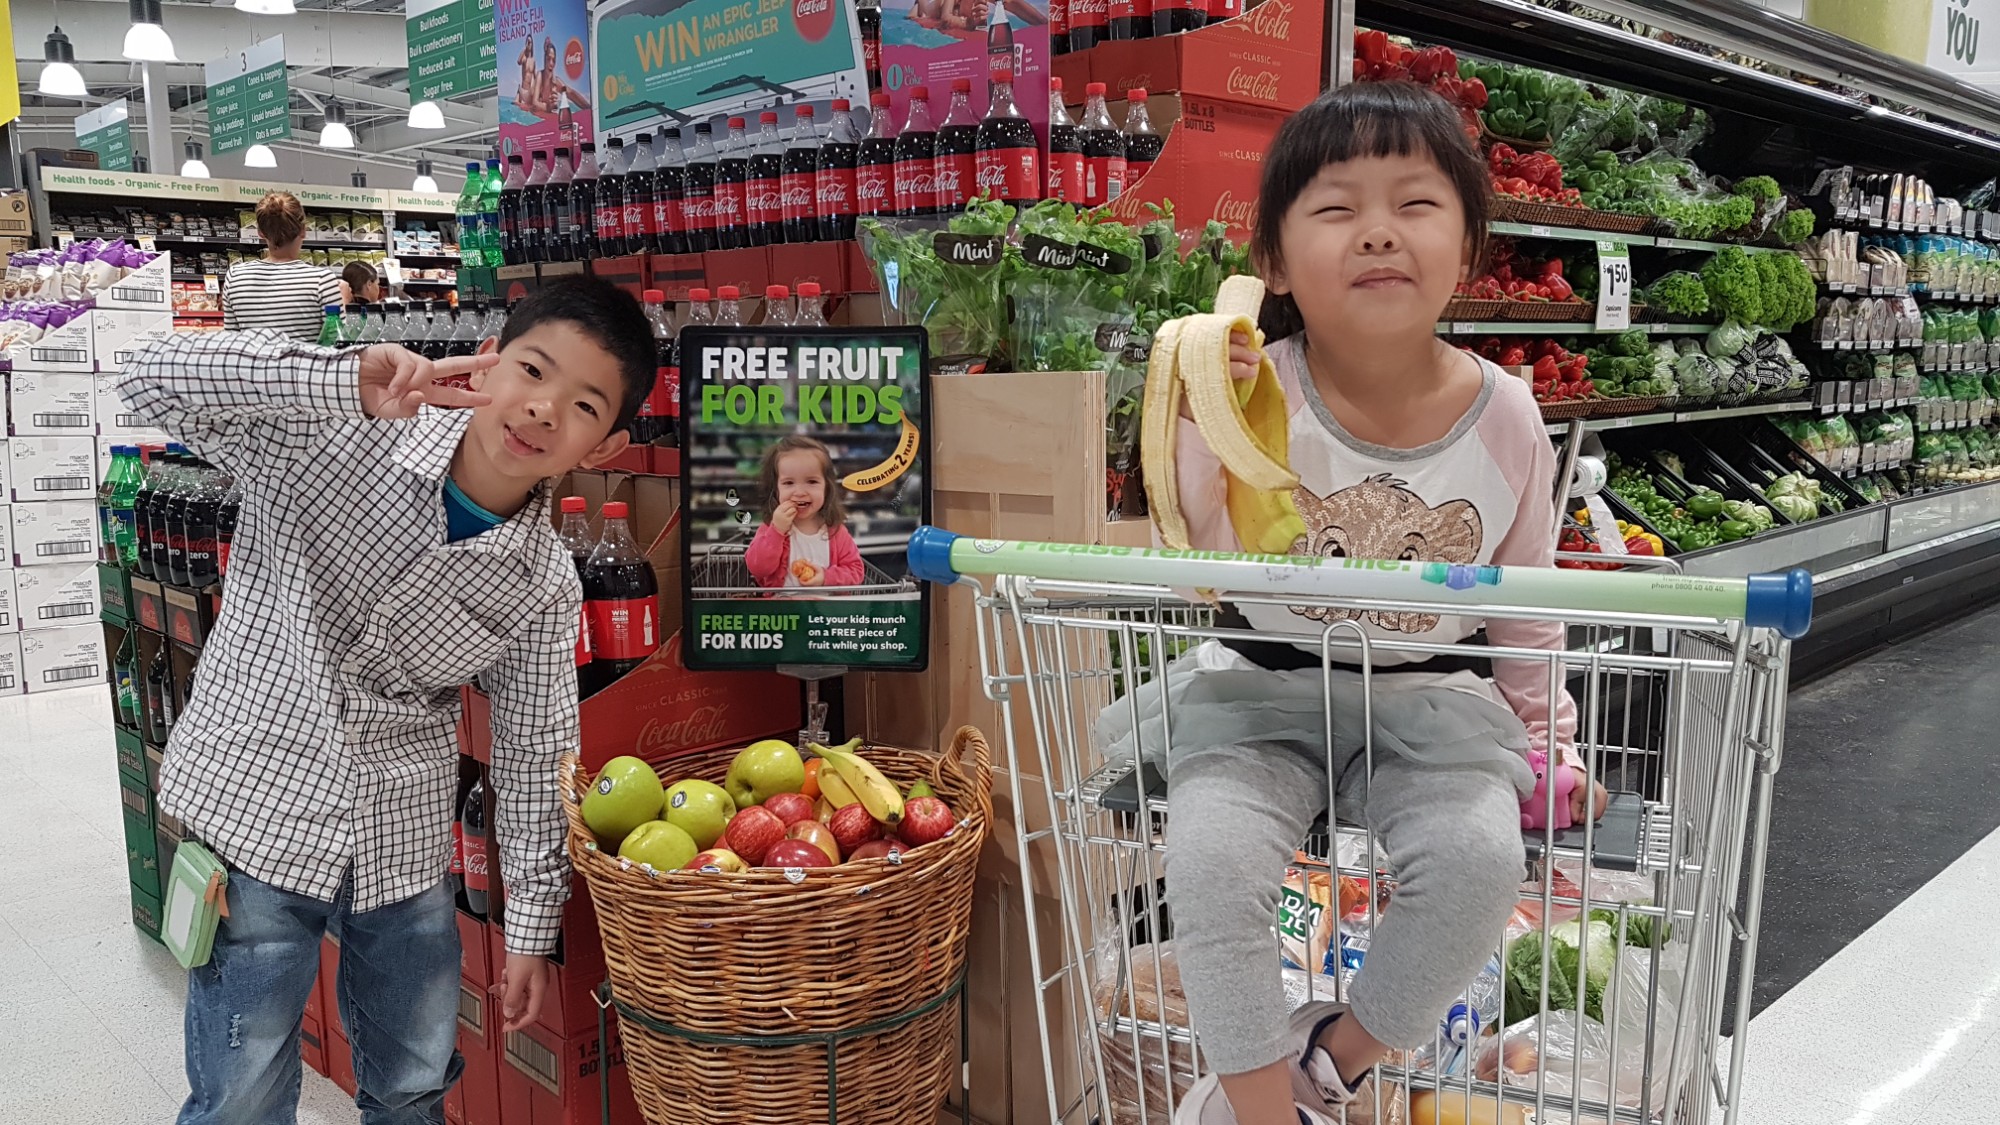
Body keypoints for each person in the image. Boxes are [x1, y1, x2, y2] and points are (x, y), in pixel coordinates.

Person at [1139, 81, 1608, 1124]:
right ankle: (1261, 1111)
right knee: (1207, 866)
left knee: (1480, 865)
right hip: (1259, 690)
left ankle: (1331, 1064)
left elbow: (1525, 604)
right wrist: (1203, 420)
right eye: (1337, 207)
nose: (1378, 232)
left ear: (1469, 247)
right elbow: (1198, 566)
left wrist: (1550, 748)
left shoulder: (1507, 415)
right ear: (1271, 261)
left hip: (1435, 701)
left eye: (1416, 203)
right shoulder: (1252, 393)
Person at [115, 275, 655, 1125]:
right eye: (532, 369)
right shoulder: (338, 434)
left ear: (607, 445)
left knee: (413, 1087)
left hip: (401, 841)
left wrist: (531, 926)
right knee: (242, 1097)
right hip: (256, 807)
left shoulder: (543, 581)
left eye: (584, 405)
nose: (543, 410)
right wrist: (337, 377)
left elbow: (535, 753)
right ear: (487, 362)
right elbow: (147, 377)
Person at [744, 435, 864, 590]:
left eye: (812, 481)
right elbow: (757, 569)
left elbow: (856, 572)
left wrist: (825, 577)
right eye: (789, 483)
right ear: (776, 489)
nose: (800, 492)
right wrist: (776, 531)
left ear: (827, 487)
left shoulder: (836, 532)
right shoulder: (770, 529)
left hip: (825, 605)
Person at [223, 191, 342, 341]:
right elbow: (338, 344)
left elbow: (232, 342)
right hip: (303, 357)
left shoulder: (235, 276)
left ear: (260, 232)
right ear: (303, 230)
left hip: (253, 357)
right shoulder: (322, 280)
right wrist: (344, 298)